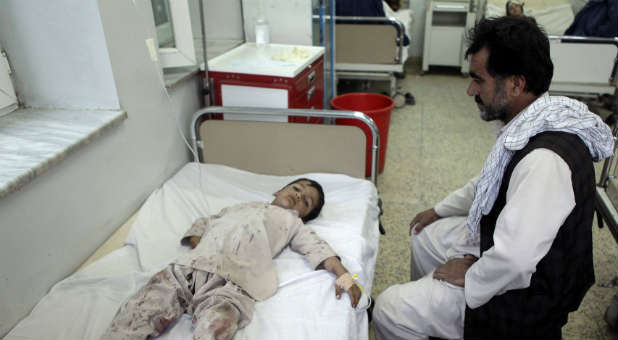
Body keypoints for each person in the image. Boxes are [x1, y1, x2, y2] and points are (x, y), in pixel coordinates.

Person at [372, 16, 615, 339]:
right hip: (516, 254)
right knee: (424, 234)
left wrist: (471, 274)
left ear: (515, 84)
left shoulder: (544, 161)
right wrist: (439, 210)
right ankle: (439, 313)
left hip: (526, 299)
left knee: (389, 309)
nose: (470, 89)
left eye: (479, 80)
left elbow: (514, 261)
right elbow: (488, 183)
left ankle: (441, 312)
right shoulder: (531, 121)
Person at [102, 178, 361, 340]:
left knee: (219, 324)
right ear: (278, 189)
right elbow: (204, 223)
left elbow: (317, 247)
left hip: (233, 284)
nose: (298, 195)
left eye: (306, 201)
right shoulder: (239, 207)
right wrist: (203, 247)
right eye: (296, 188)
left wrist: (345, 277)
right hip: (186, 270)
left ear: (304, 215)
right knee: (139, 311)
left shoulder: (292, 223)